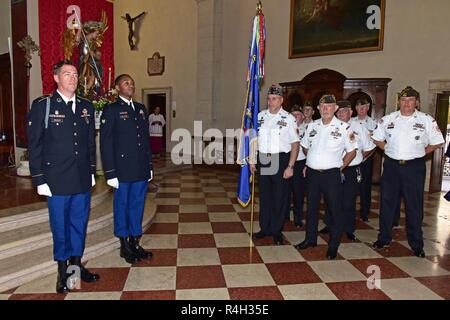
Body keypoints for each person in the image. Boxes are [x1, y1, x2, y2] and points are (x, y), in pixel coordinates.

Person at [26, 60, 99, 293]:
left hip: (80, 178)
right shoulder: (44, 106)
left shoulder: (87, 106)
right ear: (56, 78)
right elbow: (35, 145)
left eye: (76, 74)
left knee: (79, 225)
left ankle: (75, 270)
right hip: (55, 180)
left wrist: (91, 172)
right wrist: (38, 179)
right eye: (67, 74)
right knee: (60, 228)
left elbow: (89, 144)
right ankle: (61, 272)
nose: (73, 78)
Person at [372, 86, 445, 257]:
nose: (406, 103)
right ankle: (384, 238)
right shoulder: (388, 119)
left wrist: (421, 153)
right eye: (403, 100)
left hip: (414, 167)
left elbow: (437, 142)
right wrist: (388, 149)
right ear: (399, 102)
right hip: (391, 166)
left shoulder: (426, 120)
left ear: (417, 102)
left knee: (414, 205)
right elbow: (376, 139)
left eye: (410, 100)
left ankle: (416, 244)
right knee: (387, 203)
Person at [294, 94, 356, 260]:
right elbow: (305, 147)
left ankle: (333, 244)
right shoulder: (312, 126)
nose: (325, 109)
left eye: (329, 106)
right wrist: (312, 161)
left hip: (331, 174)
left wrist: (339, 166)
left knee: (335, 210)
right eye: (322, 107)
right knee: (312, 208)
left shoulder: (344, 128)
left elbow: (352, 151)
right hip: (313, 174)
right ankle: (310, 239)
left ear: (335, 108)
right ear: (319, 109)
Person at [100, 74, 154, 264]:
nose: (130, 85)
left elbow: (145, 140)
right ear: (117, 88)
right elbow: (105, 143)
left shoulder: (140, 109)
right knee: (122, 205)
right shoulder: (112, 109)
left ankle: (135, 241)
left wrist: (149, 166)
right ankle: (124, 244)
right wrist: (110, 173)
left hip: (140, 168)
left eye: (132, 82)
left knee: (138, 205)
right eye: (126, 83)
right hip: (122, 169)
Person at [250, 84, 300, 245]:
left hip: (280, 159)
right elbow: (253, 139)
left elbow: (295, 144)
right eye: (269, 99)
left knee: (279, 197)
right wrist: (252, 159)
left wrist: (290, 166)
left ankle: (276, 230)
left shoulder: (289, 118)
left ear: (281, 100)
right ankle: (264, 228)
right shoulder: (260, 116)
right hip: (264, 159)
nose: (271, 102)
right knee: (265, 196)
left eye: (274, 99)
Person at [335, 100, 376, 240]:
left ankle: (348, 228)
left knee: (349, 200)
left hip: (351, 169)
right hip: (334, 168)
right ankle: (331, 224)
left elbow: (370, 147)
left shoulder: (359, 127)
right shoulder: (331, 125)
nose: (341, 114)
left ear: (351, 112)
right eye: (339, 111)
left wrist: (360, 158)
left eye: (345, 111)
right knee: (333, 199)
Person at [350, 98, 378, 222]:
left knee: (365, 187)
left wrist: (365, 156)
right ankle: (348, 210)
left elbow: (375, 143)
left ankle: (364, 212)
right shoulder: (350, 122)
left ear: (368, 108)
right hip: (351, 159)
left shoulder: (373, 123)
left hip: (366, 159)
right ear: (355, 108)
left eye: (364, 107)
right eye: (359, 107)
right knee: (351, 186)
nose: (361, 109)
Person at [285, 105, 307, 228]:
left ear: (303, 117)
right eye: (292, 115)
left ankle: (298, 218)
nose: (295, 117)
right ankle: (284, 216)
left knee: (298, 192)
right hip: (287, 163)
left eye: (297, 114)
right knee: (285, 191)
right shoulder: (285, 128)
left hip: (300, 163)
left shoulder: (308, 129)